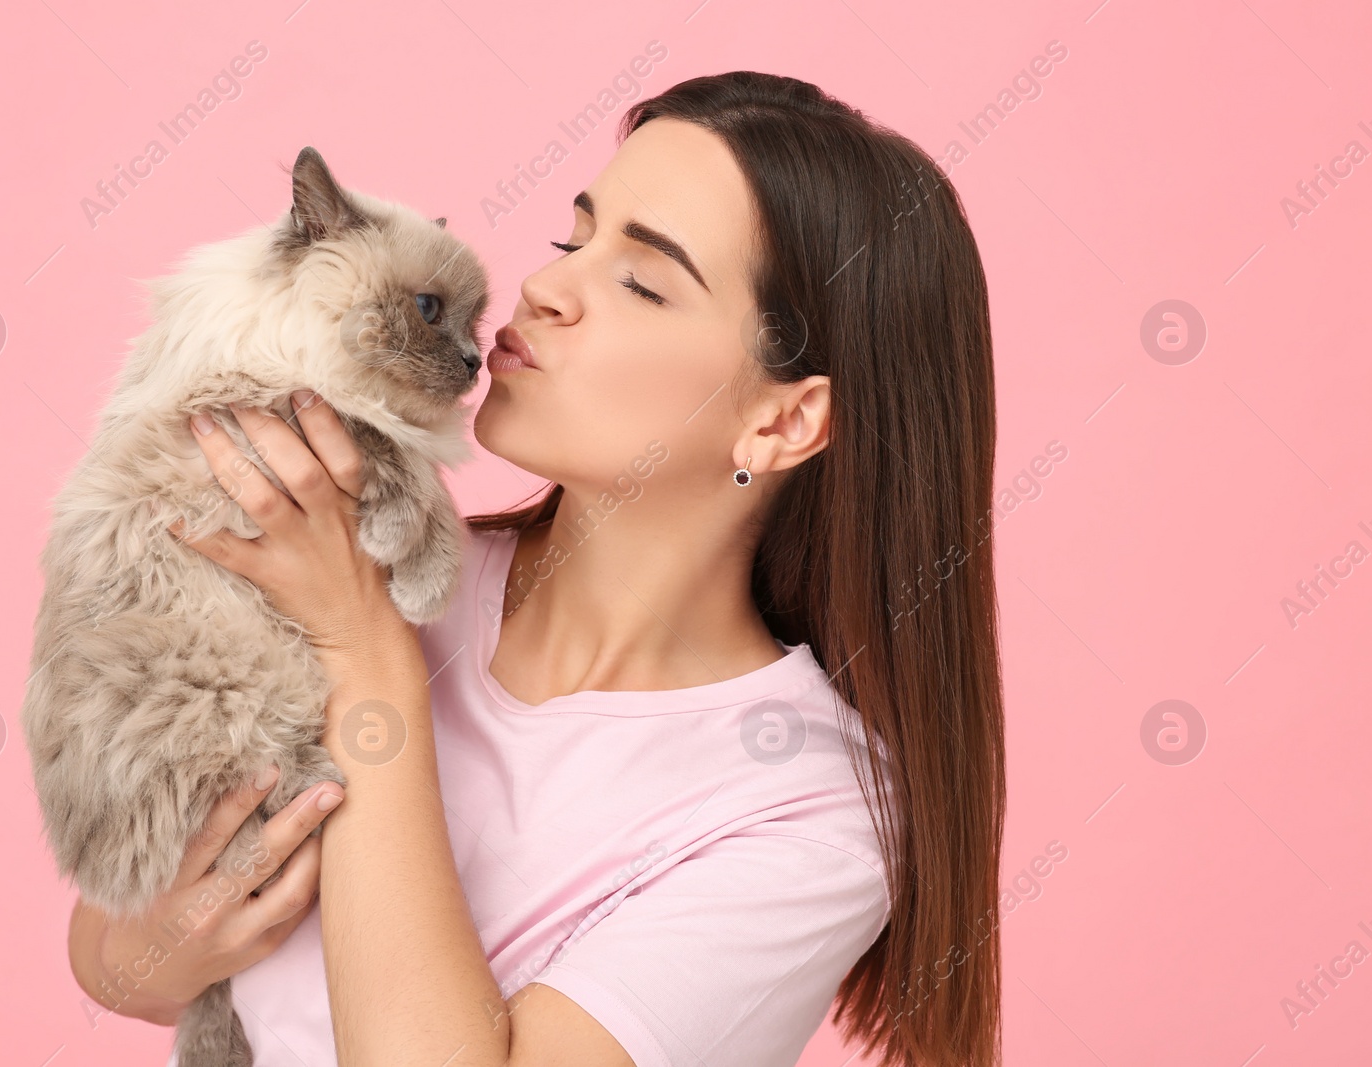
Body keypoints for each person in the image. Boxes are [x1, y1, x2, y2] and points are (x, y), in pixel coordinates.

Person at [66, 71, 1005, 1067]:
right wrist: (175, 933)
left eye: (641, 281)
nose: (544, 288)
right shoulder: (340, 557)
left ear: (781, 419)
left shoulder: (803, 809)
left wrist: (365, 653)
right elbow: (107, 955)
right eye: (572, 240)